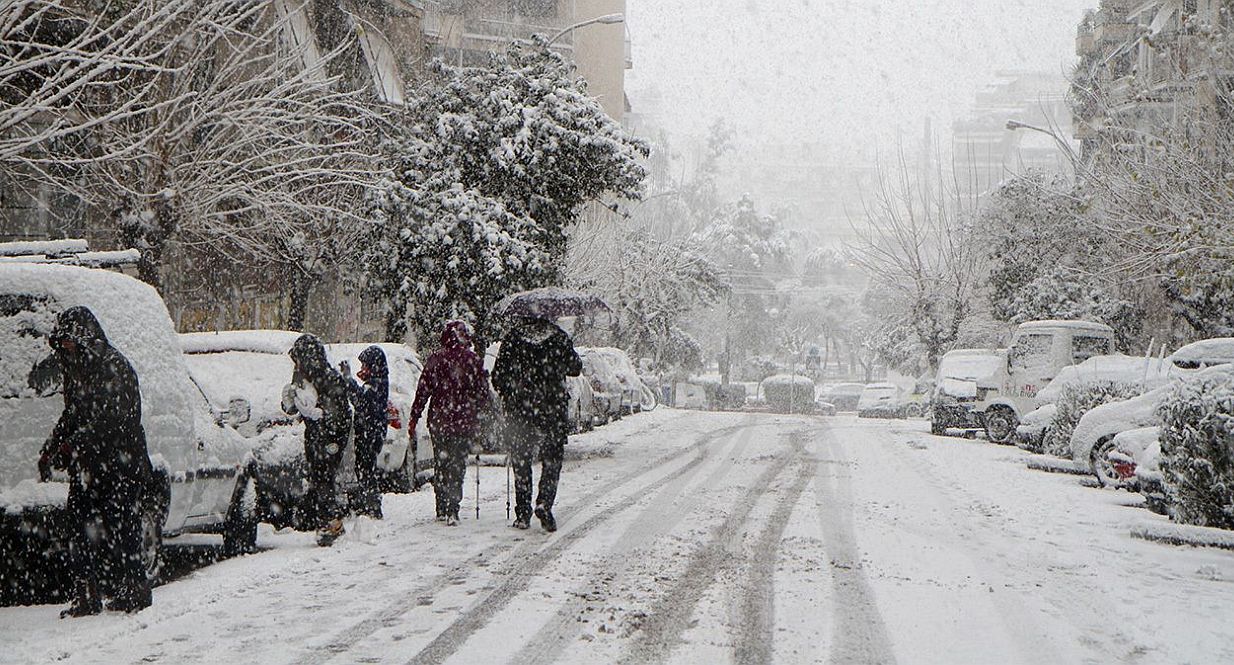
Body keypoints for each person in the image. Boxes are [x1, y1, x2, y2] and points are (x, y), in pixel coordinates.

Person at [38, 306, 153, 617]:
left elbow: (115, 421)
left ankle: (134, 590)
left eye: (70, 342)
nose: (65, 348)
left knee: (123, 528)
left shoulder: (115, 367)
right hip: (87, 465)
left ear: (85, 338)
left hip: (120, 462)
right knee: (79, 528)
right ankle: (87, 595)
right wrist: (52, 446)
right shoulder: (76, 368)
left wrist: (72, 445)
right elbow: (74, 412)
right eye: (62, 343)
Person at [491, 316, 582, 532]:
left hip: (520, 410)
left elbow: (498, 376)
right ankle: (544, 502)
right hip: (551, 408)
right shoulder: (558, 337)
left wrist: (510, 392)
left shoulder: (513, 338)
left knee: (521, 461)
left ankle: (522, 513)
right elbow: (575, 367)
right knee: (552, 459)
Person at [408, 320, 490, 527]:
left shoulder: (436, 360)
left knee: (441, 463)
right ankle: (453, 506)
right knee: (457, 464)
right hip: (464, 422)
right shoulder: (472, 360)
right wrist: (478, 412)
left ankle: (441, 506)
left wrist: (414, 415)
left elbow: (423, 390)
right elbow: (482, 393)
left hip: (440, 421)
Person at [282, 333, 351, 545]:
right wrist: (291, 401)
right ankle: (326, 520)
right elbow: (294, 407)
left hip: (329, 437)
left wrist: (321, 418)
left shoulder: (327, 377)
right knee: (319, 476)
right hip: (316, 434)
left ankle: (329, 523)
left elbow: (338, 412)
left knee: (323, 477)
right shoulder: (307, 377)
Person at [340, 346, 388, 519]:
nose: (363, 370)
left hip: (371, 431)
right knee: (364, 467)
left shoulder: (377, 384)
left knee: (366, 468)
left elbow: (360, 400)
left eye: (365, 366)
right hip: (370, 430)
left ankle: (372, 505)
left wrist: (348, 380)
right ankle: (366, 502)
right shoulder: (375, 381)